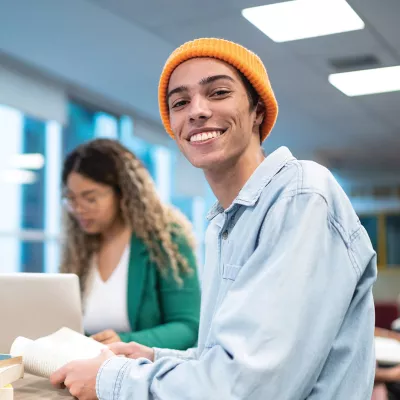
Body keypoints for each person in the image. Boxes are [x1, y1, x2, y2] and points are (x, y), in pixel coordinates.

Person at [51, 38, 377, 399]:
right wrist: (154, 356)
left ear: (257, 110)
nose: (197, 111)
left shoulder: (299, 196)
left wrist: (112, 379)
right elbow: (222, 359)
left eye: (218, 92)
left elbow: (249, 386)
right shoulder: (225, 223)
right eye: (180, 102)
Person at [60, 138, 201, 350]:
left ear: (122, 193)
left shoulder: (167, 239)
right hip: (88, 371)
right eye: (72, 199)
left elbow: (188, 327)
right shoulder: (80, 247)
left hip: (146, 375)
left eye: (90, 198)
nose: (79, 209)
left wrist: (124, 342)